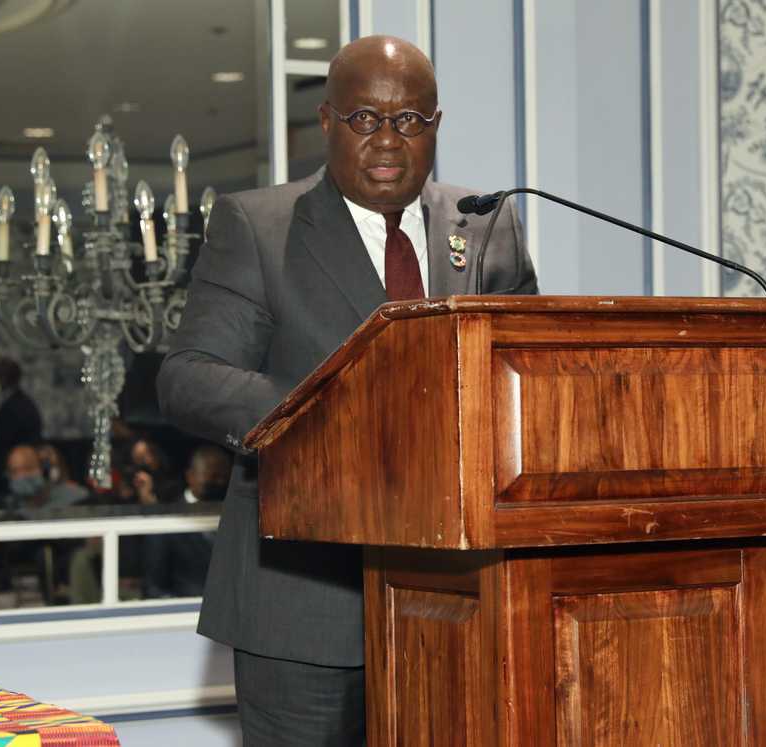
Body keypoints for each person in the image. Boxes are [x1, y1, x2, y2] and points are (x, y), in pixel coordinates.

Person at [157, 35, 537, 744]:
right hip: (303, 603)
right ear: (328, 123)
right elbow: (189, 376)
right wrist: (335, 410)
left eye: (409, 120)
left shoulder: (486, 224)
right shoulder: (259, 226)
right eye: (365, 119)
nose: (388, 140)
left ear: (435, 126)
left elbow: (529, 379)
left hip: (461, 603)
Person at [142, 445, 232, 599]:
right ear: (191, 476)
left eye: (225, 477)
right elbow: (154, 586)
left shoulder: (234, 515)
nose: (220, 482)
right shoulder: (168, 520)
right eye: (213, 476)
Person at [0, 358, 43, 494]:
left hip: (18, 471)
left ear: (3, 379)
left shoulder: (11, 407)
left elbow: (2, 443)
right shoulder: (24, 402)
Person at [0, 445, 88, 509]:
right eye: (14, 471)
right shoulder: (6, 505)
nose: (21, 476)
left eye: (28, 468)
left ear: (44, 470)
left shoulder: (75, 498)